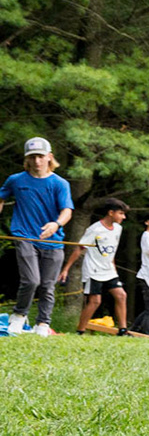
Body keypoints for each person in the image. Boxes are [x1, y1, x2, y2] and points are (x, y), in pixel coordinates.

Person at [1, 137, 73, 337]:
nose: (37, 161)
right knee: (31, 280)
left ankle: (42, 324)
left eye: (41, 156)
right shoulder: (16, 180)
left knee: (48, 286)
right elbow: (1, 197)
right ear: (27, 159)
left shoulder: (60, 183)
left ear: (49, 157)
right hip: (24, 236)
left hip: (53, 240)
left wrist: (56, 224)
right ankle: (19, 316)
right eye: (32, 157)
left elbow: (67, 210)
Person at [63, 198, 131, 335]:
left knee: (121, 295)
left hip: (109, 270)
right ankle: (80, 331)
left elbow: (112, 250)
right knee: (95, 301)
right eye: (121, 213)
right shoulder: (95, 229)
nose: (123, 217)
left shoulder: (118, 228)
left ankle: (123, 330)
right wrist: (66, 269)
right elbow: (79, 249)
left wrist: (113, 268)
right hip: (93, 270)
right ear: (111, 213)